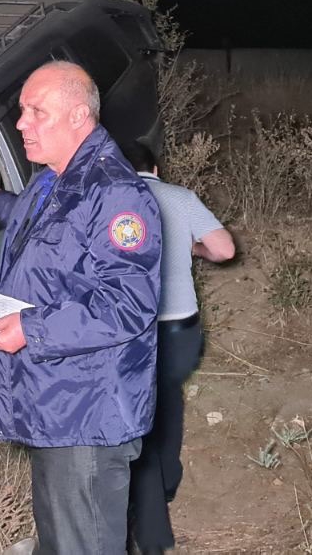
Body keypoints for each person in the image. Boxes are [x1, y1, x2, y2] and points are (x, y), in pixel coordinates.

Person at [0, 61, 162, 555]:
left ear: (78, 116)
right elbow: (46, 222)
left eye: (37, 111)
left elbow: (127, 303)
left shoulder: (117, 194)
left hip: (87, 411)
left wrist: (30, 329)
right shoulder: (52, 179)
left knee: (84, 544)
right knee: (59, 541)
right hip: (54, 402)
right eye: (23, 111)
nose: (21, 123)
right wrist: (1, 204)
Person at [119, 139, 235, 555]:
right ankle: (168, 480)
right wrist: (194, 247)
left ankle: (151, 532)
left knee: (140, 419)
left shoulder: (112, 201)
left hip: (135, 331)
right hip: (182, 331)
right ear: (156, 169)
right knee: (167, 397)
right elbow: (224, 249)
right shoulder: (179, 197)